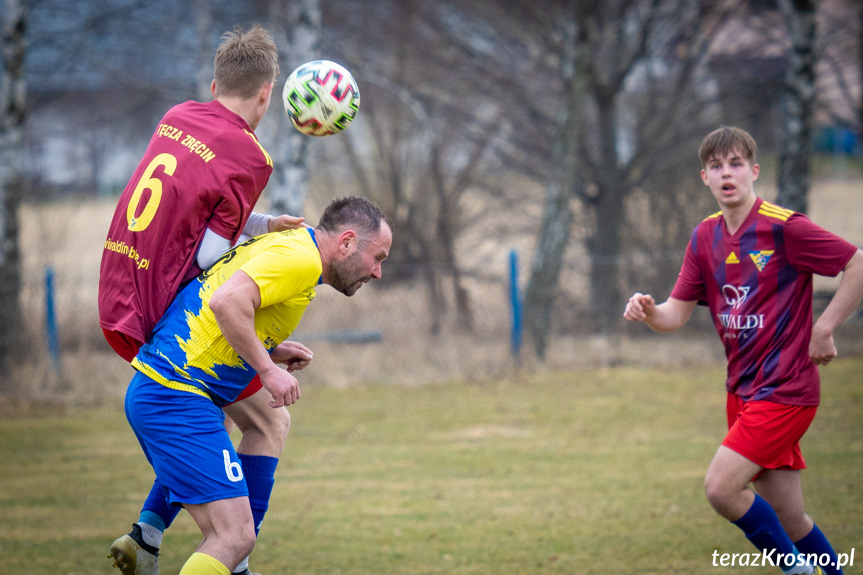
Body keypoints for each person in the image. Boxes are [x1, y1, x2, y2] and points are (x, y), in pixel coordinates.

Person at [99, 25, 305, 575]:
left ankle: (147, 534)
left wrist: (259, 223)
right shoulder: (250, 155)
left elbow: (187, 206)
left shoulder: (179, 116)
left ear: (215, 83)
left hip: (123, 284)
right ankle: (231, 560)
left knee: (214, 418)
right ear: (267, 94)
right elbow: (212, 254)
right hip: (165, 303)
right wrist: (256, 329)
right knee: (262, 423)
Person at [623, 126, 863, 575]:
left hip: (786, 391)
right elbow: (675, 315)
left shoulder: (784, 226)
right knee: (791, 520)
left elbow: (857, 262)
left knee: (721, 489)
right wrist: (649, 309)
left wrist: (824, 327)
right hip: (742, 394)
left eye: (735, 164)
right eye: (716, 166)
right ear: (705, 178)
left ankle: (798, 571)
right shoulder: (704, 237)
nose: (726, 173)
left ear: (754, 171)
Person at [124, 196, 392, 575]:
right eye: (378, 257)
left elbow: (222, 302)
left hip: (170, 391)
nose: (378, 272)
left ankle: (157, 540)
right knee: (231, 537)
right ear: (346, 242)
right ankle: (167, 542)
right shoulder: (301, 258)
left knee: (270, 423)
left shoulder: (293, 246)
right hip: (173, 396)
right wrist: (267, 369)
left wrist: (270, 348)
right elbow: (226, 301)